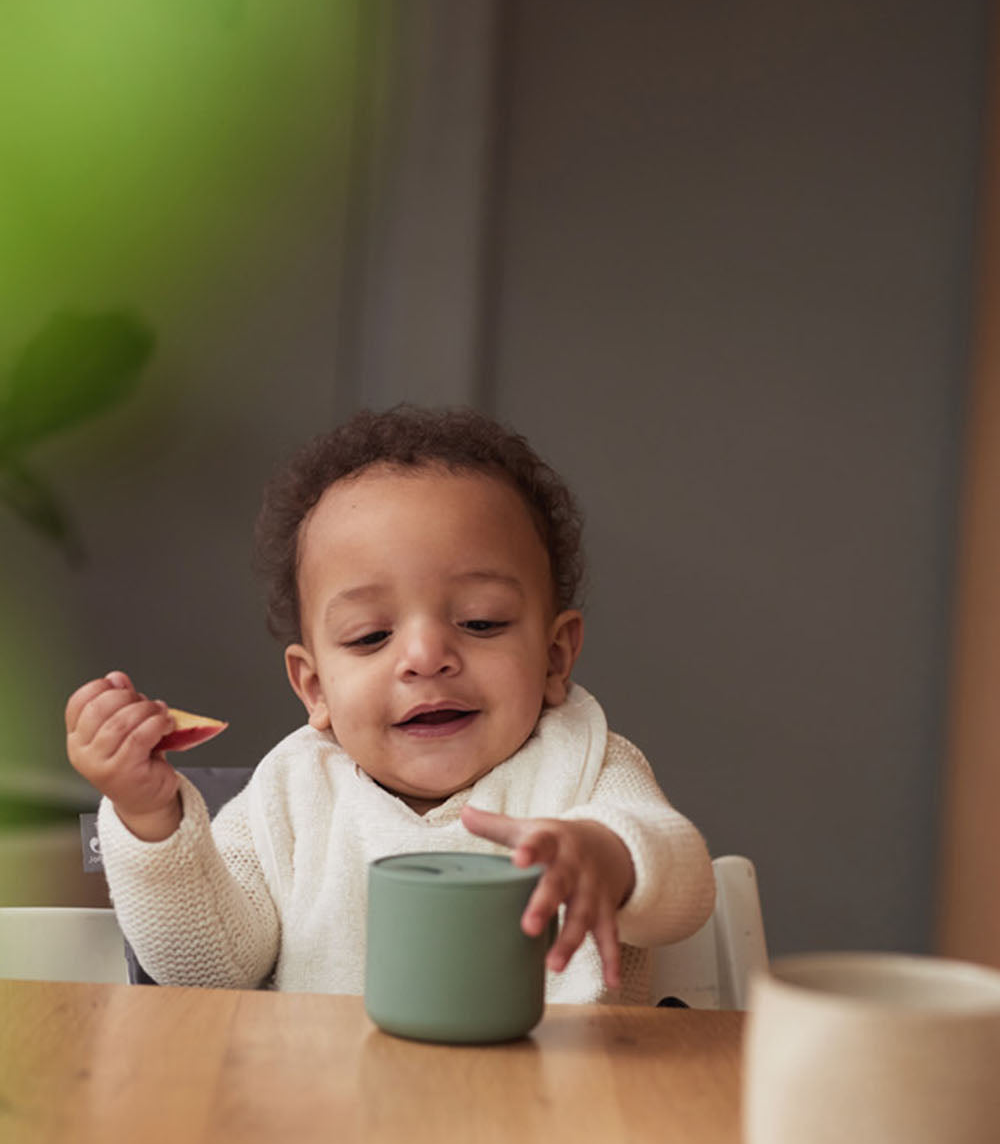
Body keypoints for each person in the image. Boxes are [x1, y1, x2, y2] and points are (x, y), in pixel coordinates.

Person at [65, 406, 714, 1002]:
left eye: (482, 622)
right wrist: (148, 816)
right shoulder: (293, 794)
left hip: (552, 1109)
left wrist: (609, 857)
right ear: (314, 687)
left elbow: (686, 886)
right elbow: (207, 966)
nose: (426, 656)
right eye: (371, 635)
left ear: (555, 655)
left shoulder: (582, 767)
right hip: (336, 1110)